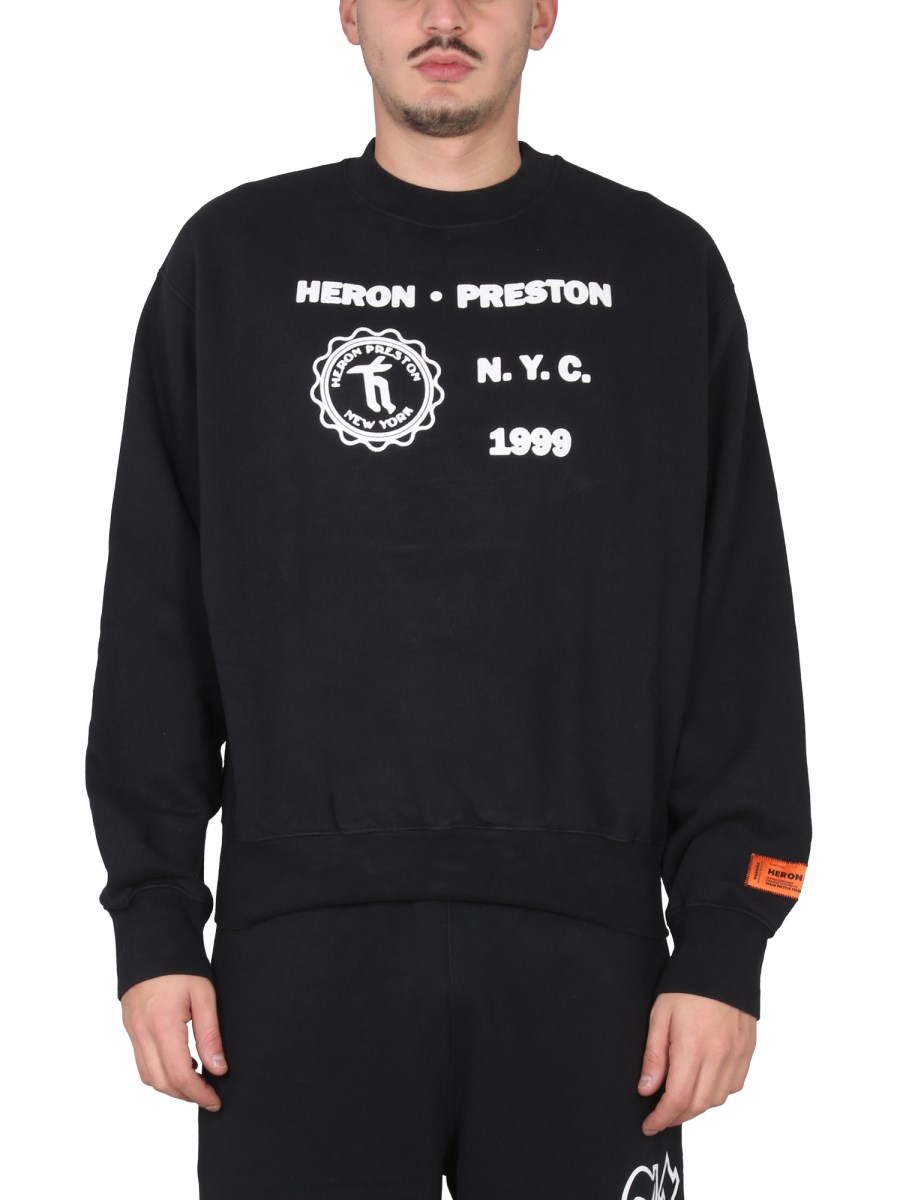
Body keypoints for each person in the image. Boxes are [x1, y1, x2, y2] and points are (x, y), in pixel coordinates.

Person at [85, 2, 812, 1196]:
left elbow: (740, 625)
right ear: (348, 12)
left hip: (595, 973)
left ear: (543, 13)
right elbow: (156, 621)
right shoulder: (234, 263)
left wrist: (727, 941)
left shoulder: (660, 270)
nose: (442, 15)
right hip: (296, 968)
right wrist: (154, 923)